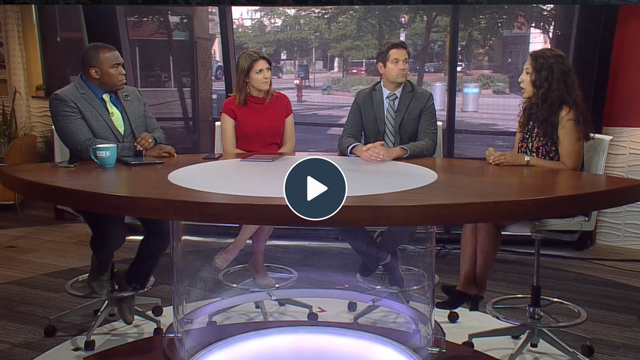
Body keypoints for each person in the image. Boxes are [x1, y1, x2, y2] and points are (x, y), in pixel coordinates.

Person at [436, 48, 592, 311]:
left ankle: (472, 289)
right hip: (525, 190)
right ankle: (467, 287)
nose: (520, 78)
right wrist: (500, 157)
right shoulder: (529, 111)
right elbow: (520, 156)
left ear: (546, 78)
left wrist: (524, 161)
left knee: (486, 215)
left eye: (528, 73)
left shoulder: (566, 115)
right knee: (476, 211)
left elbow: (571, 167)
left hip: (557, 197)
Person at [50, 42, 176, 325]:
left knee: (163, 228)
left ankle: (131, 285)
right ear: (94, 71)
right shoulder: (65, 99)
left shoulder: (131, 95)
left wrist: (151, 139)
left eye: (122, 65)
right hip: (94, 185)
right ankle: (101, 267)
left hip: (139, 182)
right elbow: (85, 146)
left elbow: (155, 129)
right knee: (113, 235)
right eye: (116, 66)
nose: (123, 72)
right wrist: (138, 150)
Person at [337, 40, 438, 288]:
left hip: (410, 176)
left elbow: (428, 143)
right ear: (381, 67)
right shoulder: (364, 97)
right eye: (396, 62)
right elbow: (345, 139)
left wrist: (396, 152)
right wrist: (360, 149)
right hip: (371, 175)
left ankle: (376, 257)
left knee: (411, 215)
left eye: (405, 62)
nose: (403, 67)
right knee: (337, 215)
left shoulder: (422, 98)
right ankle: (386, 256)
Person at [212, 49, 295, 288]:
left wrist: (271, 162)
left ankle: (237, 246)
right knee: (266, 196)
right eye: (259, 71)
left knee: (270, 192)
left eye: (268, 70)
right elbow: (229, 150)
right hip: (242, 169)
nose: (266, 75)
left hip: (276, 169)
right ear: (246, 77)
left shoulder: (282, 101)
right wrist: (257, 161)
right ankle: (256, 262)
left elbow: (289, 145)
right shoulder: (232, 105)